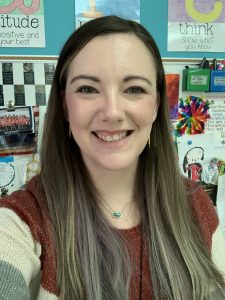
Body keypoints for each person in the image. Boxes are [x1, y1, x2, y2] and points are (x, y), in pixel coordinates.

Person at [0, 16, 225, 300]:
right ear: (66, 107)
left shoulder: (195, 204)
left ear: (156, 105)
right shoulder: (23, 220)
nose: (113, 112)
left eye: (134, 89)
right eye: (87, 89)